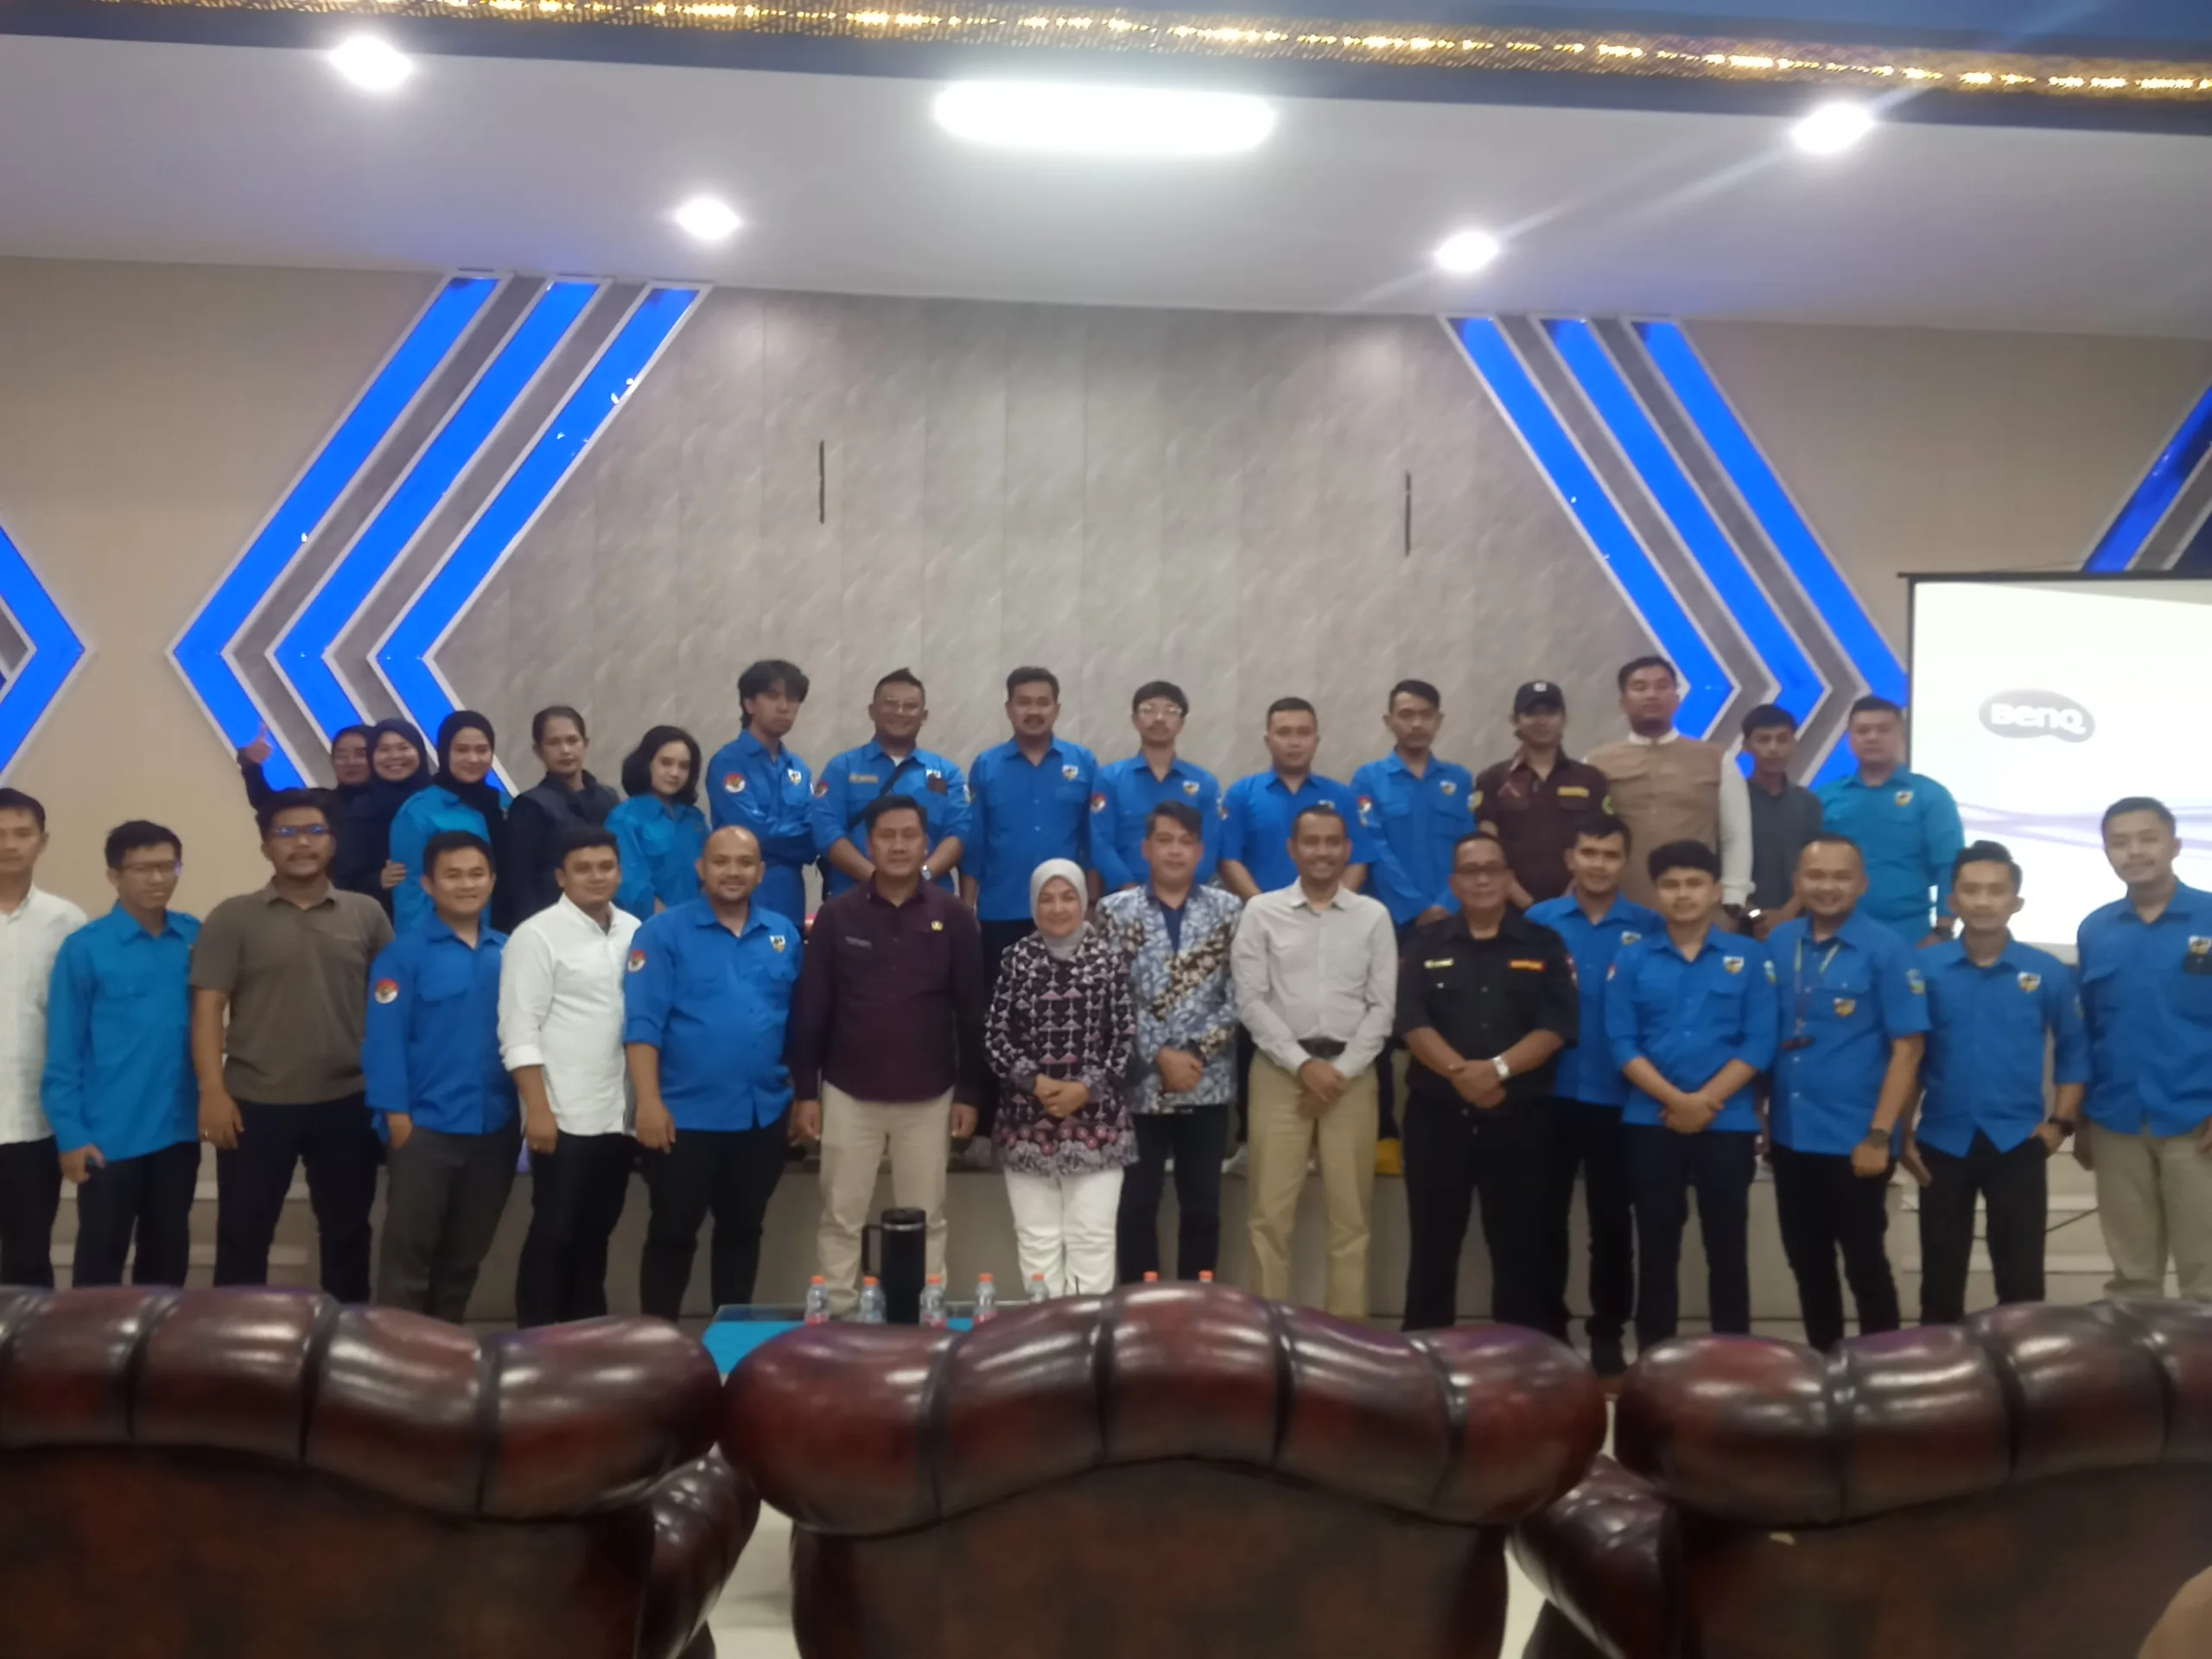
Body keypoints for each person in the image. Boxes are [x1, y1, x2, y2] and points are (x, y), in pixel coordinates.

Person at [789, 797, 987, 1313]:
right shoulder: (837, 915)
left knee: (928, 1218)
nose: (898, 846)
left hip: (930, 1094)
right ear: (868, 843)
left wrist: (969, 1093)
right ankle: (836, 1312)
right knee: (841, 1215)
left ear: (926, 843)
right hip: (848, 1092)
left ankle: (925, 1311)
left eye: (909, 835)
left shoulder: (954, 917)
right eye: (887, 836)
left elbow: (971, 1013)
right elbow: (812, 1009)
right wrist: (806, 1091)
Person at [192, 790, 392, 1300]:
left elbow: (392, 1009)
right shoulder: (232, 918)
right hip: (254, 1103)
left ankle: (345, 1336)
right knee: (243, 1235)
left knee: (348, 1234)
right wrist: (212, 1092)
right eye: (286, 833)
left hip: (347, 1101)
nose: (301, 843)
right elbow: (208, 1008)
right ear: (266, 847)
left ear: (333, 843)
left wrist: (392, 1093)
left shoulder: (366, 914)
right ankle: (234, 1339)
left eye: (314, 831)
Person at [1396, 831, 1578, 1332]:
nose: (1481, 880)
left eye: (1491, 869)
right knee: (1432, 1245)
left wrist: (1496, 1071)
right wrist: (1463, 1076)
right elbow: (1411, 1021)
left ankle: (1516, 1360)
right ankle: (1424, 1356)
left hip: (1519, 1119)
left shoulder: (1543, 943)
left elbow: (1556, 1025)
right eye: (1470, 871)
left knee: (1519, 1249)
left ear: (1508, 877)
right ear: (1454, 882)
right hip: (1437, 1118)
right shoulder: (1425, 943)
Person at [1605, 840, 1777, 1351]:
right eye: (1671, 885)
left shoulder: (1750, 957)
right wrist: (1677, 1101)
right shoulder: (1632, 958)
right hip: (1650, 1120)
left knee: (1727, 1245)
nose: (1683, 894)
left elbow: (1760, 1041)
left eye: (1694, 883)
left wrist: (1703, 1102)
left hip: (1727, 1121)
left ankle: (1734, 1358)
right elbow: (1622, 1042)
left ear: (1716, 890)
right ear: (1656, 893)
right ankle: (1655, 1359)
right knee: (1656, 1245)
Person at [626, 826, 801, 1318]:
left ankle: (731, 1345)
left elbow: (796, 1022)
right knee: (672, 1234)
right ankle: (659, 1344)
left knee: (743, 1232)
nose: (732, 871)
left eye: (744, 863)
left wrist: (800, 1095)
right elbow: (642, 1024)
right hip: (683, 1116)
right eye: (721, 861)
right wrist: (648, 1103)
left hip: (761, 1115)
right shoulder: (661, 933)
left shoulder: (783, 935)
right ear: (701, 868)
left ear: (760, 873)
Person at [1765, 834, 1929, 1351]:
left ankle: (1885, 1369)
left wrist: (1881, 1135)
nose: (1827, 887)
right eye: (1816, 876)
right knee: (1807, 1264)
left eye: (1841, 876)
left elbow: (1908, 1049)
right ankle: (1825, 1364)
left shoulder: (1888, 949)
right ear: (1797, 882)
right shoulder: (1779, 943)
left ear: (1862, 884)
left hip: (1856, 1138)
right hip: (1790, 1135)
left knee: (1865, 1265)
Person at [1911, 841, 2087, 1324]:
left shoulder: (2047, 971)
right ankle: (1942, 1363)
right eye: (1971, 890)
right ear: (1953, 901)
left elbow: (2075, 1049)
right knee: (1940, 1278)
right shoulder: (1924, 970)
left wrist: (2061, 1124)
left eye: (1996, 890)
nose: (1983, 901)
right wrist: (1899, 1130)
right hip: (1942, 1140)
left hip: (2019, 1142)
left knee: (2022, 1280)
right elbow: (1906, 1056)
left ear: (2017, 902)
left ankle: (2023, 1364)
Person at [1231, 804, 1396, 1317]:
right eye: (1311, 841)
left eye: (1332, 842)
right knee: (1268, 1218)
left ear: (1348, 850)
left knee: (1352, 1221)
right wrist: (1304, 1066)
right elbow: (1249, 1001)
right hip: (1279, 1075)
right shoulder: (1261, 912)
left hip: (1352, 1077)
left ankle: (1347, 1338)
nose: (1322, 852)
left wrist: (1338, 1072)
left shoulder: (1373, 916)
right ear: (1292, 849)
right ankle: (1269, 1339)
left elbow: (1382, 1008)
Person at [365, 830, 517, 1319]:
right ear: (428, 885)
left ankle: (446, 1347)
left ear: (492, 880)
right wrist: (397, 1120)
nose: (466, 884)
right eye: (453, 875)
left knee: (465, 1257)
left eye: (476, 874)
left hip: (495, 1129)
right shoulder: (402, 956)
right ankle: (397, 1352)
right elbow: (384, 1042)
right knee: (408, 1257)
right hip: (425, 1130)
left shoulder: (512, 952)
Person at [1527, 815, 1659, 1375]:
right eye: (1589, 853)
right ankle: (1547, 1328)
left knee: (1612, 1222)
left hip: (1620, 1095)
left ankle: (1608, 1331)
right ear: (1571, 859)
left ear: (1624, 862)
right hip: (1549, 1090)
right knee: (1544, 1217)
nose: (1598, 864)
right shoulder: (1540, 921)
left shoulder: (1649, 927)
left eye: (1610, 855)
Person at [1098, 803, 1243, 1283]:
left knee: (1202, 1207)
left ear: (1200, 851)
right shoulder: (1115, 912)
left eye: (1185, 841)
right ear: (1146, 848)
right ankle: (1140, 1309)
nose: (1175, 851)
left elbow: (1241, 993)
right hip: (1141, 1083)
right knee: (1137, 1205)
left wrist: (1194, 1055)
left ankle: (1198, 1309)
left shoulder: (1229, 911)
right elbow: (1112, 997)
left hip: (1206, 1080)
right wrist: (1161, 1054)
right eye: (1165, 840)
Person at [502, 827, 640, 1326]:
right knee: (554, 1233)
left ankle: (586, 1340)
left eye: (606, 867)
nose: (596, 877)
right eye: (583, 869)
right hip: (561, 1114)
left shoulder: (634, 930)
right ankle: (534, 1342)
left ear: (619, 873)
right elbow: (518, 1030)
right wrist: (537, 1111)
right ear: (562, 876)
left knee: (596, 1235)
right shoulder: (535, 935)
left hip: (619, 1115)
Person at [2076, 797, 2212, 1300]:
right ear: (2107, 852)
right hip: (2117, 1120)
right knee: (2132, 1280)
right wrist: (2083, 1121)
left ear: (2174, 845)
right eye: (2120, 842)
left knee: (2207, 1278)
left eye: (2147, 839)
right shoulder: (2095, 929)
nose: (2134, 852)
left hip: (2198, 1121)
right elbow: (2090, 1028)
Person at [46, 822, 191, 1287]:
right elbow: (64, 1048)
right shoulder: (85, 948)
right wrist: (70, 1133)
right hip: (108, 1135)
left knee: (167, 1257)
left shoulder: (195, 937)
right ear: (114, 875)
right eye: (143, 868)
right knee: (100, 1261)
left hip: (180, 1129)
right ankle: (90, 1337)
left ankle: (160, 1336)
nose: (158, 878)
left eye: (168, 866)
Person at [986, 860, 1136, 1296]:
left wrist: (1084, 1088)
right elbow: (995, 1036)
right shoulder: (1016, 959)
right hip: (1027, 1126)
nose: (1057, 908)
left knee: (1092, 1240)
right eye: (1047, 899)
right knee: (1038, 1242)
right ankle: (1046, 1329)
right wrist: (1033, 1081)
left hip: (1097, 1127)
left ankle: (1087, 1333)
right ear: (1033, 906)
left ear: (1084, 901)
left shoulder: (1109, 960)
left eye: (1068, 897)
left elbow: (1124, 1039)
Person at [1355, 679, 1477, 1166]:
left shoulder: (1459, 781)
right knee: (1381, 1029)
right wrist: (1415, 907)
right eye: (1406, 714)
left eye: (1426, 714)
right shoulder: (1369, 779)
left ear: (1439, 721)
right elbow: (1373, 849)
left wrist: (1445, 905)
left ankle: (1448, 1130)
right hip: (1390, 924)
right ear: (1390, 722)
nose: (1416, 723)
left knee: (1449, 1023)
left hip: (1452, 923)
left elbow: (1468, 850)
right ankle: (1384, 1133)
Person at [1586, 657, 1751, 915]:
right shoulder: (1597, 763)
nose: (1652, 694)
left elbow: (1736, 836)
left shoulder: (1717, 759)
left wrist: (1733, 898)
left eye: (1662, 686)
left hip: (1697, 906)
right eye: (1640, 687)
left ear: (1676, 698)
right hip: (1619, 907)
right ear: (1623, 702)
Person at [0, 789, 84, 1288]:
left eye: (21, 833)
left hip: (35, 1122)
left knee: (29, 1261)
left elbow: (76, 1025)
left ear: (42, 841)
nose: (8, 844)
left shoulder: (67, 922)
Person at [965, 666, 1098, 978]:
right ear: (1009, 709)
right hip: (1002, 909)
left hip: (1066, 911)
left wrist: (1092, 903)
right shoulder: (986, 766)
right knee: (1001, 1000)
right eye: (1024, 702)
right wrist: (967, 906)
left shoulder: (1083, 763)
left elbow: (1093, 839)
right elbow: (974, 842)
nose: (1034, 711)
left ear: (1057, 709)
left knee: (1069, 1000)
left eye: (1043, 702)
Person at [1815, 696, 1963, 945]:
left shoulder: (1930, 795)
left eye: (1883, 729)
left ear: (1901, 736)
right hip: (1835, 931)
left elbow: (1950, 866)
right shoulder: (1825, 796)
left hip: (1910, 934)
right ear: (1850, 739)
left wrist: (1943, 930)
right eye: (1863, 730)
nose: (1872, 737)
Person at [813, 668, 970, 899]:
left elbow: (960, 832)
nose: (900, 712)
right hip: (856, 900)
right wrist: (878, 881)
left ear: (924, 715)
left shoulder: (948, 773)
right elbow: (826, 830)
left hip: (930, 901)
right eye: (891, 704)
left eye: (910, 706)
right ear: (872, 711)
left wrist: (922, 878)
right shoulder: (842, 768)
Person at [1475, 681, 1613, 911]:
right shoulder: (1493, 779)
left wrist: (1570, 897)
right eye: (1531, 713)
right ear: (1515, 719)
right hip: (1509, 907)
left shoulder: (1590, 779)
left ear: (1564, 719)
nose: (1541, 721)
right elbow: (1486, 846)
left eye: (1550, 712)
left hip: (1577, 905)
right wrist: (1523, 901)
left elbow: (1602, 842)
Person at [1219, 697, 1374, 900]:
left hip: (1330, 914)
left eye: (1304, 733)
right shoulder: (1241, 794)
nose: (1294, 742)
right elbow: (1229, 860)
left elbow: (1358, 861)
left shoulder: (1342, 796)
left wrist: (1332, 908)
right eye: (1284, 733)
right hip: (1262, 913)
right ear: (1268, 741)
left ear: (1316, 741)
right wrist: (1264, 908)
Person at [706, 658, 816, 929]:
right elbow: (752, 833)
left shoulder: (799, 769)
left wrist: (804, 838)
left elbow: (816, 834)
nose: (784, 707)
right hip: (741, 894)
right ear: (749, 704)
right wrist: (801, 837)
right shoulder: (728, 762)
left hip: (790, 897)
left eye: (792, 698)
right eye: (773, 696)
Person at [1091, 681, 1220, 893]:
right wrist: (1130, 891)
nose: (1159, 718)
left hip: (1188, 899)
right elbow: (1101, 843)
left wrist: (1183, 893)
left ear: (1181, 723)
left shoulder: (1205, 783)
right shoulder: (1110, 779)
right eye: (1148, 710)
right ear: (1135, 720)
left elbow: (1210, 846)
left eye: (1170, 711)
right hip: (1124, 897)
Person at [388, 711, 505, 934]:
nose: (473, 759)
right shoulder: (418, 811)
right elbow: (412, 894)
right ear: (443, 752)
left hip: (508, 935)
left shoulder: (505, 804)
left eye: (482, 750)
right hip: (451, 939)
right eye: (461, 750)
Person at [505, 706, 620, 925]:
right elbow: (522, 885)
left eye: (572, 740)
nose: (565, 750)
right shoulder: (529, 806)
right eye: (554, 743)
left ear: (585, 744)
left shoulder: (608, 798)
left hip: (609, 917)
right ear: (538, 750)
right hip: (554, 922)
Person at [1740, 703, 1823, 938]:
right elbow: (1721, 871)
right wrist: (1757, 916)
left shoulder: (1808, 802)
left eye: (1782, 739)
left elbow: (1815, 867)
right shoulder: (1730, 800)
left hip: (1799, 923)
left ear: (1793, 744)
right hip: (1741, 925)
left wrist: (1787, 914)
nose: (1773, 748)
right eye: (1763, 740)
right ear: (1746, 746)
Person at [334, 718, 429, 918]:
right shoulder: (359, 811)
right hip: (380, 920)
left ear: (419, 751)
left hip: (442, 916)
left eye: (403, 748)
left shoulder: (441, 801)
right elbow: (344, 879)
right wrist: (378, 880)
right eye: (384, 750)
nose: (394, 756)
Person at [609, 726, 708, 918]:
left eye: (684, 766)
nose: (675, 773)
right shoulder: (624, 818)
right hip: (651, 926)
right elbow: (631, 887)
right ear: (647, 764)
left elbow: (710, 873)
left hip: (699, 923)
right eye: (666, 763)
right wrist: (669, 926)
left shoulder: (694, 818)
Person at [236, 723, 372, 815]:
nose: (350, 762)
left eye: (361, 754)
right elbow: (265, 802)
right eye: (341, 755)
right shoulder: (323, 803)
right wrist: (251, 763)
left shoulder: (385, 805)